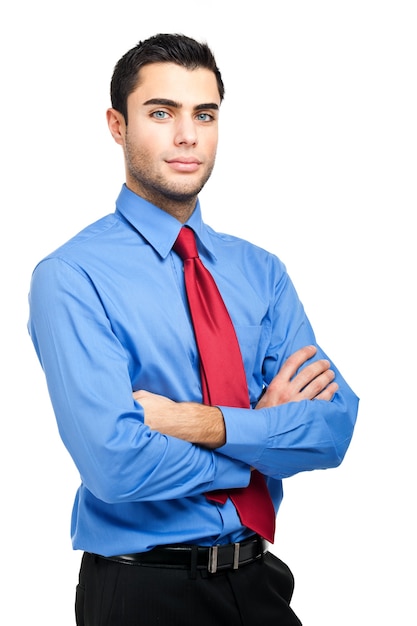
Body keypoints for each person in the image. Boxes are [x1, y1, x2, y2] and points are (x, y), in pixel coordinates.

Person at [27, 33, 359, 626]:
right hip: (141, 592)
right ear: (117, 125)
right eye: (162, 113)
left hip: (259, 582)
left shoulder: (260, 271)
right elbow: (115, 463)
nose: (187, 135)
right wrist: (260, 442)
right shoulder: (71, 277)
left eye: (204, 114)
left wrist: (189, 420)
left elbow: (332, 430)